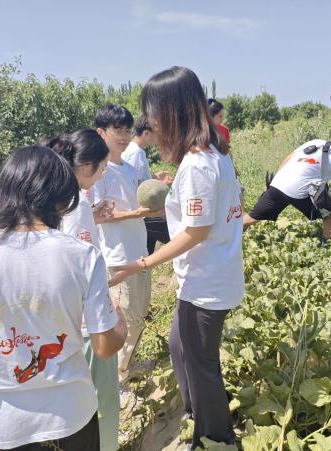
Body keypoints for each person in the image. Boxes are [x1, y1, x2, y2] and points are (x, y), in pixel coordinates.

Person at [0, 146, 127, 450]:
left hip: (6, 426)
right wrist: (119, 327)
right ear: (61, 198)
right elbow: (105, 346)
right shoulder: (83, 257)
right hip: (73, 415)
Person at [110, 67, 244, 449]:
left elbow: (195, 231)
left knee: (202, 364)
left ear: (173, 111)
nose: (150, 120)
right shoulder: (210, 154)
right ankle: (196, 413)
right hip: (206, 274)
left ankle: (216, 437)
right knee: (179, 347)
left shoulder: (200, 164)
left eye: (153, 111)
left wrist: (141, 264)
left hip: (207, 280)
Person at [42, 130, 120, 451]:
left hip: (61, 324)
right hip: (88, 327)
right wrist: (108, 311)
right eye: (102, 168)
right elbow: (80, 267)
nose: (102, 175)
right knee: (101, 406)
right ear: (85, 166)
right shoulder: (77, 206)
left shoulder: (54, 201)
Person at [93, 104, 163, 385]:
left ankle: (126, 367)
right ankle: (116, 379)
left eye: (126, 130)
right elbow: (97, 214)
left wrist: (156, 186)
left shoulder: (130, 168)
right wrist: (137, 213)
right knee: (123, 318)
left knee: (139, 313)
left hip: (139, 251)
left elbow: (140, 200)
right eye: (116, 130)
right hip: (118, 255)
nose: (122, 136)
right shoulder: (100, 171)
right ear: (101, 132)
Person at [243, 133, 331, 241]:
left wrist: (273, 182)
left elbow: (289, 157)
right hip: (298, 191)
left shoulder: (317, 142)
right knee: (330, 217)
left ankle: (229, 234)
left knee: (252, 218)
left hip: (279, 184)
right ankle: (328, 248)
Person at [122, 115, 173, 255]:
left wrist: (154, 177)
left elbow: (137, 178)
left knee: (145, 252)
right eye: (156, 133)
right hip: (144, 213)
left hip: (144, 213)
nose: (158, 137)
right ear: (146, 133)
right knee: (175, 236)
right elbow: (137, 187)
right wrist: (162, 184)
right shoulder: (135, 153)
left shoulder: (137, 151)